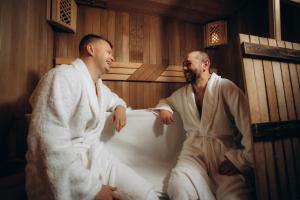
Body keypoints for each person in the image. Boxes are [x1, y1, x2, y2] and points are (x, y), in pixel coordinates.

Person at [26, 34, 159, 200]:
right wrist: (92, 189)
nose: (113, 57)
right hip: (63, 168)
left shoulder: (99, 87)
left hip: (95, 156)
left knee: (147, 194)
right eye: (109, 52)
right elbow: (47, 140)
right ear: (91, 49)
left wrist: (120, 107)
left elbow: (116, 100)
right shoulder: (62, 77)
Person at [155, 51, 254, 200]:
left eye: (188, 64)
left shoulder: (226, 87)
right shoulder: (183, 94)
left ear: (205, 64)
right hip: (193, 154)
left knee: (235, 196)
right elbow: (165, 101)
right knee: (178, 187)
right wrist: (164, 109)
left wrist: (241, 161)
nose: (184, 68)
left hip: (223, 156)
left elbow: (248, 126)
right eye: (183, 65)